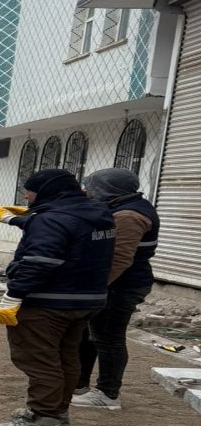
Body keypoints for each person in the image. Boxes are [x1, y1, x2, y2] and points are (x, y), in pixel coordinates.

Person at [0, 169, 116, 426]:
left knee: (38, 358)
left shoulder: (51, 219)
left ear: (47, 190)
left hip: (47, 301)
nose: (26, 195)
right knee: (66, 356)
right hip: (84, 300)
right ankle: (56, 412)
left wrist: (14, 295)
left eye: (29, 190)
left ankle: (44, 418)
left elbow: (40, 261)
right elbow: (66, 234)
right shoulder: (97, 214)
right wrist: (14, 219)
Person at [69, 168, 159, 411]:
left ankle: (108, 394)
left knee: (108, 337)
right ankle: (79, 384)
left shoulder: (129, 215)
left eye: (93, 188)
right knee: (90, 335)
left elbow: (120, 258)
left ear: (109, 189)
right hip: (117, 283)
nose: (89, 192)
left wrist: (95, 287)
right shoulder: (122, 206)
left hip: (122, 285)